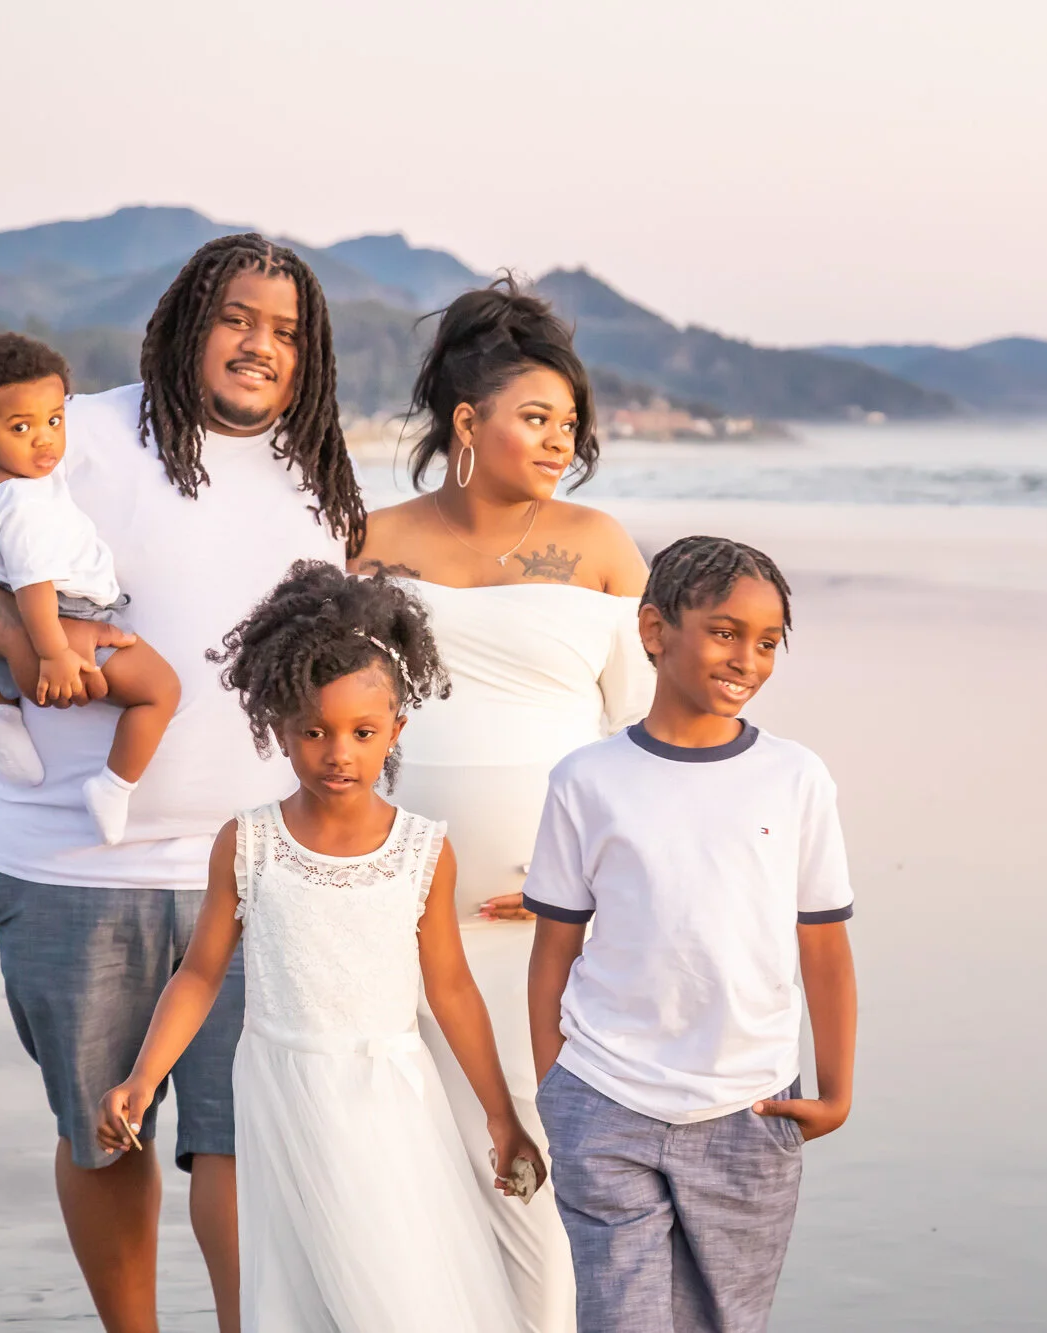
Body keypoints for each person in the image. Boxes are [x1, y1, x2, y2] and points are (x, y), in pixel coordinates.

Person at [0, 233, 361, 1333]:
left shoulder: (319, 482)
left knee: (243, 1134)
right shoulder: (81, 433)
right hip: (74, 860)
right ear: (189, 317)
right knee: (106, 1130)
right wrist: (24, 643)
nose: (261, 346)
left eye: (286, 332)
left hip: (259, 869)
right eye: (238, 317)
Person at [97, 561, 543, 1329]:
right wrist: (142, 1077)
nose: (339, 751)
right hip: (280, 1088)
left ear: (395, 730)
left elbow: (453, 989)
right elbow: (201, 973)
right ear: (279, 729)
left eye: (363, 733)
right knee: (300, 1289)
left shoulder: (422, 850)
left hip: (388, 1102)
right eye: (315, 730)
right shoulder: (249, 842)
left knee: (394, 1282)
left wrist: (501, 1115)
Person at [352, 276, 653, 1331]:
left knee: (526, 1154)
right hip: (392, 906)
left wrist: (590, 889)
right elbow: (324, 713)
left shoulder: (604, 546)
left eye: (570, 422)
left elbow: (643, 746)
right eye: (535, 417)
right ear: (467, 423)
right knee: (404, 1156)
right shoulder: (372, 538)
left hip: (542, 927)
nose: (558, 440)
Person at [525, 536, 860, 1333]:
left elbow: (824, 947)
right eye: (723, 630)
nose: (747, 656)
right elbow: (554, 952)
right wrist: (556, 1086)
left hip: (751, 1105)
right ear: (654, 631)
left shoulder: (796, 777)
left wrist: (836, 1090)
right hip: (605, 1100)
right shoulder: (586, 779)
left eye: (768, 641)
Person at [0, 332, 180, 844]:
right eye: (22, 427)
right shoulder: (25, 507)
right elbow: (35, 587)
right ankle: (115, 786)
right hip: (67, 609)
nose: (45, 440)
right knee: (160, 692)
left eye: (55, 420)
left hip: (12, 595)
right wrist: (54, 652)